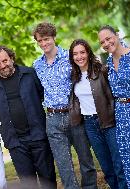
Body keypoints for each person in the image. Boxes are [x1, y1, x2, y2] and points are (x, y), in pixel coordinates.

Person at [32, 22, 97, 189]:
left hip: (74, 114)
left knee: (85, 159)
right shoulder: (36, 65)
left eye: (46, 39)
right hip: (52, 119)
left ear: (54, 37)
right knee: (64, 166)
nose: (43, 43)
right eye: (40, 41)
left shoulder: (70, 57)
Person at [0, 46, 57, 189]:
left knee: (48, 179)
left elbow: (42, 95)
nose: (2, 66)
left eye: (5, 61)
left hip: (38, 135)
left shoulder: (30, 74)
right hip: (15, 142)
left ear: (12, 58)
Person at [68, 39, 128, 189]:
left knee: (119, 165)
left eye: (82, 52)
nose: (79, 56)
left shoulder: (102, 70)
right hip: (90, 125)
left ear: (88, 53)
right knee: (107, 168)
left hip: (109, 122)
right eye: (75, 54)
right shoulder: (73, 77)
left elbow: (114, 94)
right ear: (72, 57)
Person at [98, 25, 130, 189]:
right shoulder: (108, 62)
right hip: (121, 114)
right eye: (102, 42)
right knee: (128, 159)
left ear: (116, 35)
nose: (106, 43)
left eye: (108, 38)